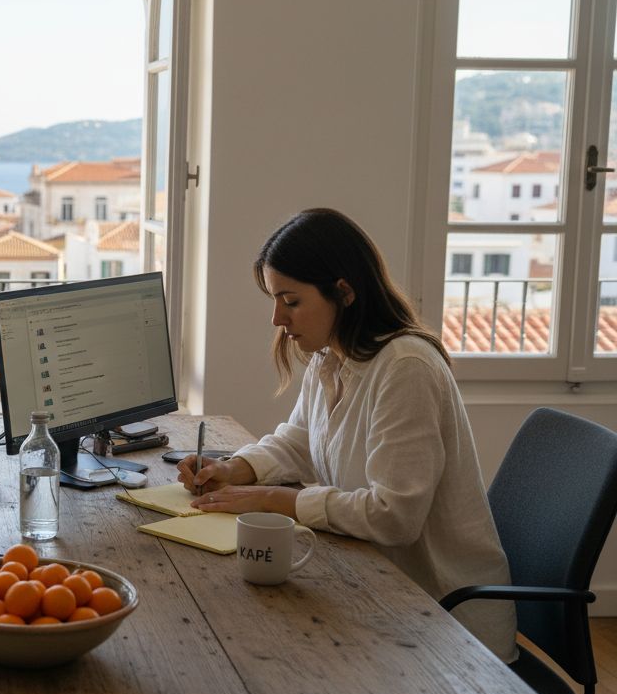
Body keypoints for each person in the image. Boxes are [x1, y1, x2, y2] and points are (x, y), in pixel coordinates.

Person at [177, 208, 516, 661]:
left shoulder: (405, 368)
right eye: (275, 300)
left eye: (291, 301)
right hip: (381, 591)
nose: (277, 318)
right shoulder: (331, 356)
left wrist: (276, 500)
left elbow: (394, 516)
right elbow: (300, 438)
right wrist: (234, 469)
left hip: (447, 625)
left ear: (345, 292)